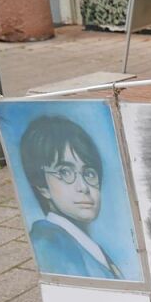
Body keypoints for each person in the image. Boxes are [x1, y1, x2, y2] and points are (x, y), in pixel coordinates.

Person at [19, 115, 123, 279]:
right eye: (64, 172)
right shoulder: (49, 244)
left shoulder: (84, 244)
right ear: (42, 186)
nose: (83, 187)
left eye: (89, 173)